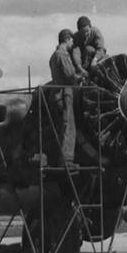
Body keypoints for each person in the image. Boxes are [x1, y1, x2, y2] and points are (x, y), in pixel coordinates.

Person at [49, 28, 81, 167]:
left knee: (61, 128)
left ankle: (60, 159)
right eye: (72, 41)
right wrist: (82, 76)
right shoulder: (63, 55)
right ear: (67, 40)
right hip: (64, 94)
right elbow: (70, 75)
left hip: (54, 94)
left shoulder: (53, 56)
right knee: (69, 127)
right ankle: (67, 161)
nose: (72, 43)